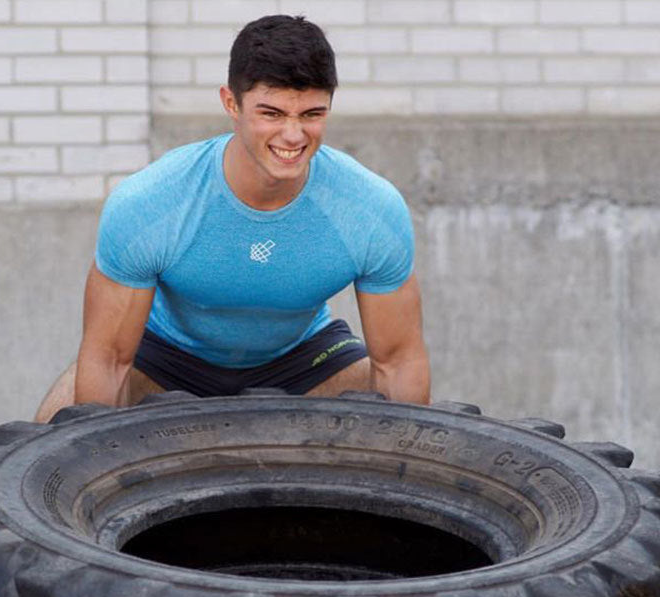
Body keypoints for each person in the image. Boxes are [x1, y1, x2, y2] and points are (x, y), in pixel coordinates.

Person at [35, 15, 429, 423]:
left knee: (393, 415)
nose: (293, 136)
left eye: (311, 114)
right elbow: (110, 360)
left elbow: (398, 363)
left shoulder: (370, 209)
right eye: (272, 113)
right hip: (166, 359)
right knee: (52, 429)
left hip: (304, 360)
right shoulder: (151, 202)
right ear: (230, 103)